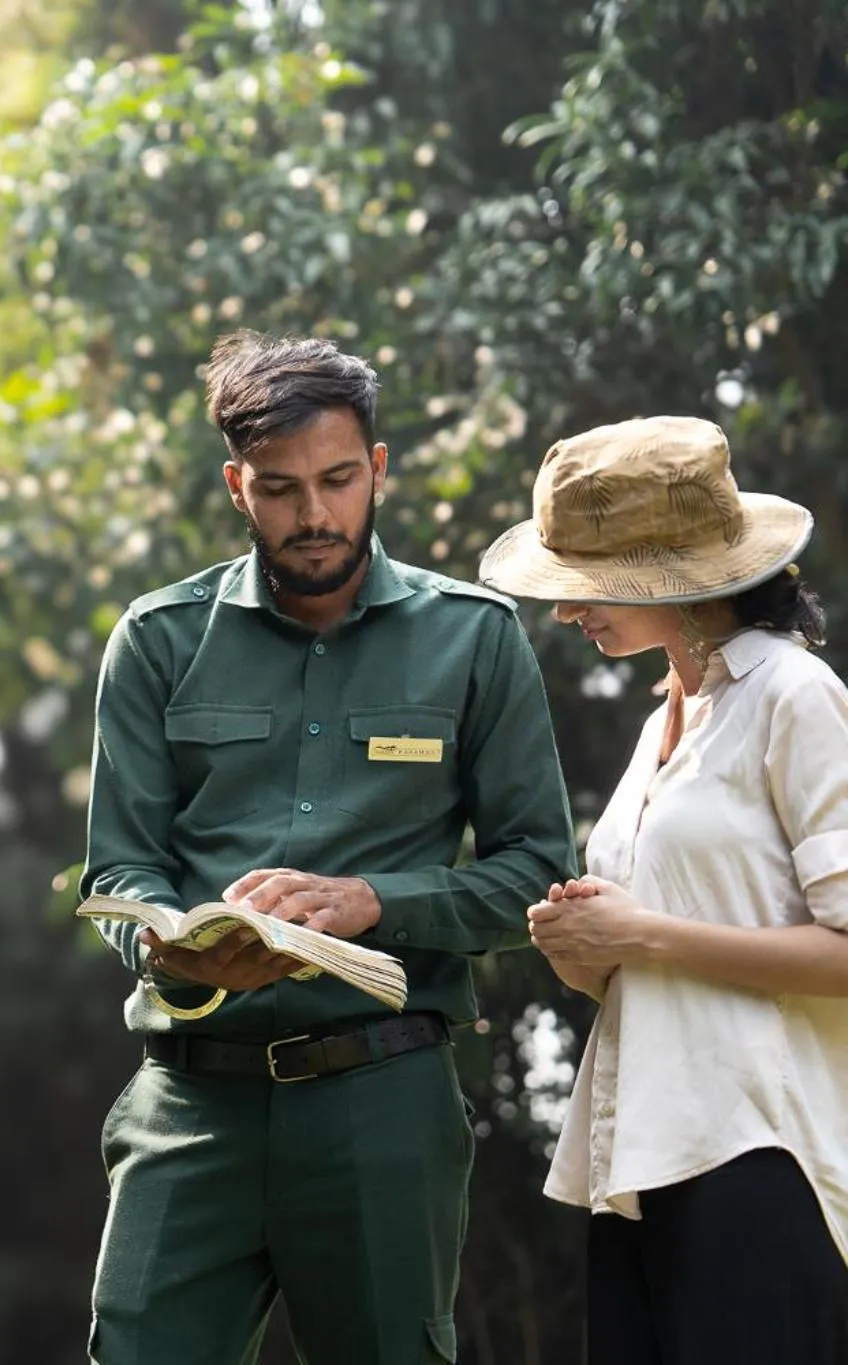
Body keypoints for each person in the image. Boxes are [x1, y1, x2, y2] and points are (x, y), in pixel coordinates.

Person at [81, 331, 577, 1365]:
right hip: (189, 1099)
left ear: (377, 471)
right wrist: (166, 949)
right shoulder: (156, 639)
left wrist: (369, 903)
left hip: (379, 1100)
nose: (311, 514)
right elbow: (118, 871)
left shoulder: (474, 639)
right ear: (235, 486)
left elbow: (533, 870)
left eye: (336, 480)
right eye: (279, 488)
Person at [478, 414, 848, 1364]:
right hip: (641, 1153)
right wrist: (588, 954)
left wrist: (642, 937)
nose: (567, 612)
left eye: (590, 586)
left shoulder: (794, 697)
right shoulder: (666, 718)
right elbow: (665, 955)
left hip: (763, 1155)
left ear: (674, 579)